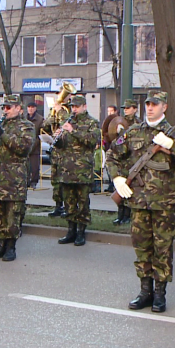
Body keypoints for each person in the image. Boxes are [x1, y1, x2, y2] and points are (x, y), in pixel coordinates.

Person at [109, 91, 175, 312]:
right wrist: (117, 177)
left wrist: (172, 146)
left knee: (162, 248)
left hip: (163, 202)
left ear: (165, 107)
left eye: (155, 104)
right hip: (139, 202)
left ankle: (160, 294)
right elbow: (113, 155)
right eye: (148, 104)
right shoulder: (133, 132)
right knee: (142, 247)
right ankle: (145, 291)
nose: (150, 107)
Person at [0, 94, 34, 262]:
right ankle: (0, 245)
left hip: (14, 178)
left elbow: (22, 148)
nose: (5, 110)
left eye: (9, 107)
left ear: (19, 108)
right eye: (3, 107)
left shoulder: (27, 126)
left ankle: (11, 246)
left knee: (13, 214)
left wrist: (2, 134)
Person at [52, 94, 101, 247]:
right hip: (67, 169)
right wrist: (57, 139)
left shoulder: (92, 123)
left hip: (82, 170)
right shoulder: (67, 121)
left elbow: (92, 141)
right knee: (69, 202)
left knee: (83, 202)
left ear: (84, 107)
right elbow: (63, 146)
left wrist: (73, 131)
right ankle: (71, 230)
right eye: (72, 107)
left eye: (77, 107)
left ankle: (81, 232)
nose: (74, 109)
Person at [111, 99, 140, 226]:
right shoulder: (120, 121)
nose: (126, 110)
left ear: (135, 109)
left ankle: (127, 215)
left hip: (131, 160)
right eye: (125, 108)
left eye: (128, 108)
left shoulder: (138, 123)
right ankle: (120, 214)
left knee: (129, 188)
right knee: (120, 187)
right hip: (121, 159)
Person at [25, 101, 43, 188]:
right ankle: (26, 181)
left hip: (35, 146)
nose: (30, 109)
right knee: (25, 165)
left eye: (32, 107)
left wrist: (33, 145)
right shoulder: (24, 118)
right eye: (29, 107)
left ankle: (34, 182)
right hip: (25, 145)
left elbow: (40, 134)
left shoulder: (40, 119)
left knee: (35, 166)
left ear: (35, 108)